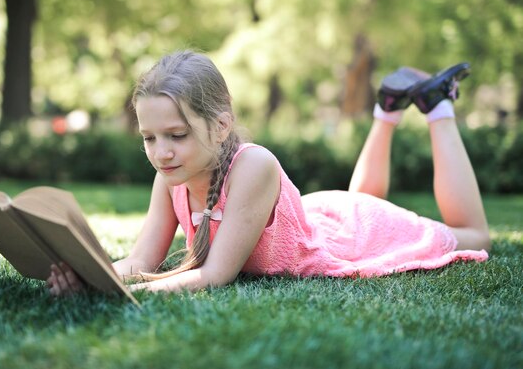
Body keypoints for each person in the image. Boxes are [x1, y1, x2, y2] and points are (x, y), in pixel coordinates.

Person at [47, 51, 490, 296]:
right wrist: (90, 272)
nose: (161, 153)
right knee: (365, 197)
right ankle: (388, 108)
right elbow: (142, 262)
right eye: (149, 138)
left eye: (176, 135)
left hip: (350, 233)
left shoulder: (254, 166)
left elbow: (214, 275)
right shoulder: (172, 179)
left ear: (221, 126)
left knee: (473, 235)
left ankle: (438, 106)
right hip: (326, 216)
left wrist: (112, 293)